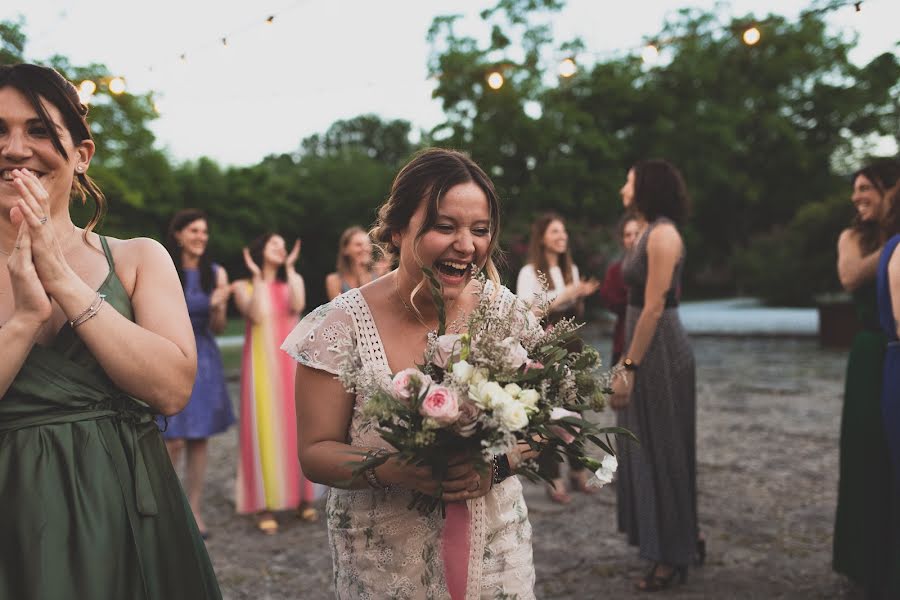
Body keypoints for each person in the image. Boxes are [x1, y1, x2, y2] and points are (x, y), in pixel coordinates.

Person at [0, 64, 220, 598]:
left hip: (126, 509)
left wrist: (63, 282)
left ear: (81, 154)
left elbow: (171, 390)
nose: (14, 148)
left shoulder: (138, 257)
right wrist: (27, 317)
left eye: (37, 130)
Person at [282, 148, 537, 599]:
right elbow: (314, 452)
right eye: (445, 226)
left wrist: (497, 465)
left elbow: (548, 424)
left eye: (480, 230)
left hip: (496, 554)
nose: (467, 244)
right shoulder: (340, 325)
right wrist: (399, 468)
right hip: (384, 563)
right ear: (398, 230)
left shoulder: (507, 315)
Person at [610, 159, 698, 592]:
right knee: (645, 446)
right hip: (646, 346)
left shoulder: (663, 233)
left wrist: (629, 366)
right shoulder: (644, 229)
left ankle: (672, 555)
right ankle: (670, 541)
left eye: (628, 180)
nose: (623, 186)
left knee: (665, 448)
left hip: (661, 350)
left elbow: (655, 305)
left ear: (646, 186)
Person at [834, 160, 900, 597]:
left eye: (867, 188)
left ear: (888, 191)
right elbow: (850, 276)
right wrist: (894, 246)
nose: (858, 196)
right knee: (863, 454)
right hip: (869, 352)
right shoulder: (851, 237)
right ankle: (862, 560)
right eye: (854, 189)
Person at [161, 209, 236, 538]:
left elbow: (217, 328)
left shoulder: (215, 273)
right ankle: (164, 504)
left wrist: (218, 306)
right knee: (172, 437)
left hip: (204, 355)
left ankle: (193, 509)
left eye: (204, 232)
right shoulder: (165, 269)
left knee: (199, 436)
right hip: (171, 352)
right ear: (178, 234)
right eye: (194, 231)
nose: (201, 237)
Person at [232, 232, 314, 533]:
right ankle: (263, 505)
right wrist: (257, 277)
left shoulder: (292, 281)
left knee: (295, 426)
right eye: (274, 244)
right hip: (260, 367)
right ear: (260, 251)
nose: (281, 248)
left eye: (284, 244)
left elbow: (299, 303)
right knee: (263, 427)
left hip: (289, 365)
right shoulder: (243, 287)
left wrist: (291, 270)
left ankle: (301, 498)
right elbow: (256, 314)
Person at [516, 212, 599, 503]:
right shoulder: (528, 272)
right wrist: (567, 293)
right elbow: (528, 311)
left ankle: (578, 470)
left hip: (571, 344)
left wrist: (580, 296)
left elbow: (576, 313)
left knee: (576, 407)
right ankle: (552, 476)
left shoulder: (571, 269)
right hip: (543, 346)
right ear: (542, 238)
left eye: (563, 232)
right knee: (547, 411)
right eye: (555, 232)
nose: (562, 236)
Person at [599, 213, 641, 365]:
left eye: (637, 233)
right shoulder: (615, 270)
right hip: (624, 336)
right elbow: (609, 298)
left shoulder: (656, 267)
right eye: (627, 235)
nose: (632, 238)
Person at [324, 225, 376, 300]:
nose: (365, 248)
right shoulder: (334, 280)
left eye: (368, 244)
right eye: (358, 245)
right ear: (346, 250)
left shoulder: (379, 276)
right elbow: (339, 309)